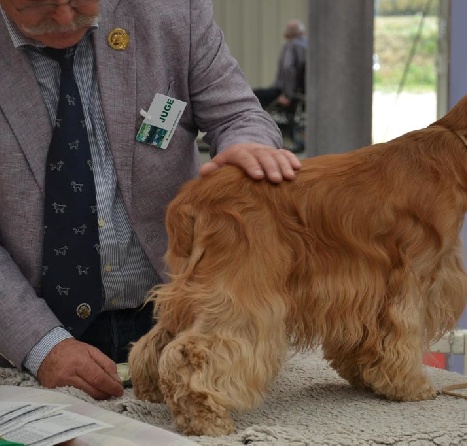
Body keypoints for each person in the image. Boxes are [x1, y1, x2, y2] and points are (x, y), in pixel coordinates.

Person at [0, 0, 301, 401]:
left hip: (180, 315)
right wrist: (41, 346)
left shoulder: (173, 11)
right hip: (29, 333)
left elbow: (238, 115)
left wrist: (248, 148)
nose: (63, 17)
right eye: (35, 5)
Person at [253, 19, 307, 110]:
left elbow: (288, 68)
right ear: (303, 33)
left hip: (285, 92)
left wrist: (287, 95)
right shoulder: (309, 47)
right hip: (303, 92)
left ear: (286, 36)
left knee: (252, 95)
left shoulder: (291, 46)